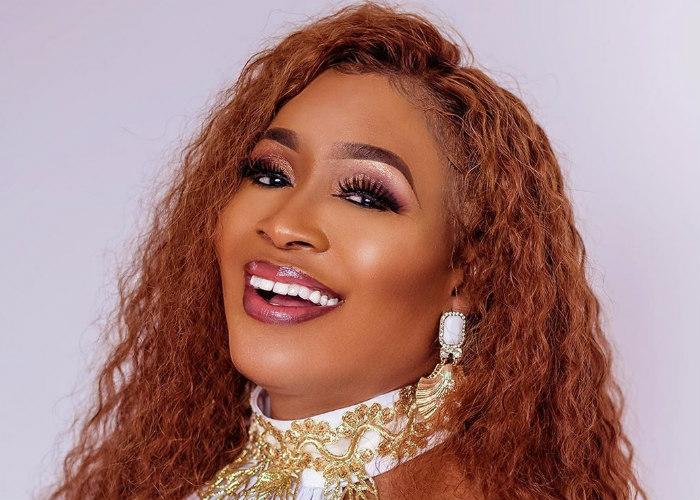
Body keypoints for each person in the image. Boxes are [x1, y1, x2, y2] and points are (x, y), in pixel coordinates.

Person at [49, 2, 647, 499]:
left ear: (468, 275)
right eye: (270, 173)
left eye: (364, 195)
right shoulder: (173, 476)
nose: (284, 224)